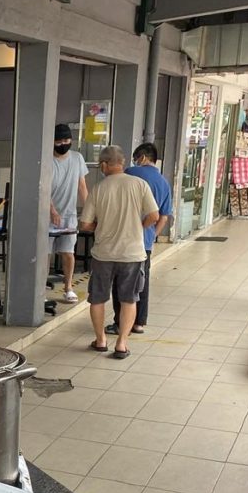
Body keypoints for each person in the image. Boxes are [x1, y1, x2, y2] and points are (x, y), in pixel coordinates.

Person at [79, 146, 159, 360]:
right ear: (121, 163)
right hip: (132, 254)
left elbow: (85, 224)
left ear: (104, 165)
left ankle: (101, 340)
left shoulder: (98, 188)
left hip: (103, 254)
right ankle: (122, 344)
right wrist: (137, 226)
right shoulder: (140, 184)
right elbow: (154, 215)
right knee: (129, 299)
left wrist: (100, 226)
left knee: (97, 298)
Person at [106, 142, 172, 336]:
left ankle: (120, 323)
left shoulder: (132, 173)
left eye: (136, 158)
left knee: (122, 284)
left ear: (142, 157)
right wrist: (151, 235)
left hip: (126, 239)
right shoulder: (163, 182)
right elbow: (164, 216)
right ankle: (139, 323)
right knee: (143, 283)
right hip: (146, 242)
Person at [49, 124, 88, 303]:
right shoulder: (47, 160)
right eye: (59, 141)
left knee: (68, 252)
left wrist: (89, 210)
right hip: (47, 214)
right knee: (45, 253)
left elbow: (82, 186)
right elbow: (42, 189)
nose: (63, 144)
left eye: (66, 140)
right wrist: (51, 210)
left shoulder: (77, 158)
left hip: (69, 214)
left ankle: (68, 287)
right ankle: (39, 289)